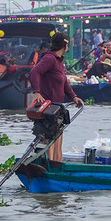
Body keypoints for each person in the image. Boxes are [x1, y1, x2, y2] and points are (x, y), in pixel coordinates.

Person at [29, 32, 83, 162]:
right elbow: (34, 71)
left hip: (57, 108)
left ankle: (57, 166)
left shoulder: (59, 61)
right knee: (49, 141)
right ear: (65, 45)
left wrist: (74, 97)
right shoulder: (50, 59)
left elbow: (64, 82)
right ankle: (48, 167)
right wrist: (36, 92)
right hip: (48, 108)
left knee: (58, 140)